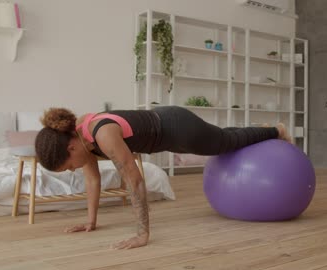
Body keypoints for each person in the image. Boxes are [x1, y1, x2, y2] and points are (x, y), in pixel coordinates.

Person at [35, 105, 292, 249]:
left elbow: (134, 179)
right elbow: (92, 179)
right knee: (220, 137)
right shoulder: (79, 137)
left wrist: (142, 233)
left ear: (70, 148)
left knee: (224, 142)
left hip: (177, 129)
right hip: (166, 135)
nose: (72, 170)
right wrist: (90, 222)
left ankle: (275, 131)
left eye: (68, 167)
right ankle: (260, 131)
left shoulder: (101, 135)